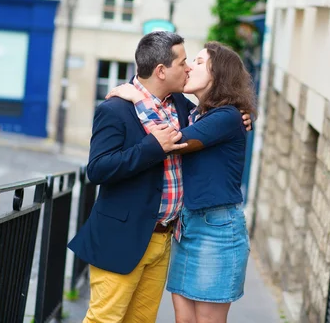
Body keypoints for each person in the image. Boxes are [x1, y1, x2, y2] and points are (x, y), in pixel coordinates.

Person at [68, 32, 251, 323]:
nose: (189, 67)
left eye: (196, 61)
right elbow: (98, 169)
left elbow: (201, 128)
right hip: (125, 237)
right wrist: (149, 137)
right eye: (184, 62)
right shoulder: (115, 108)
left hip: (168, 238)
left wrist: (241, 115)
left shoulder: (183, 108)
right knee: (105, 319)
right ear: (161, 70)